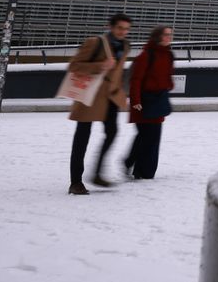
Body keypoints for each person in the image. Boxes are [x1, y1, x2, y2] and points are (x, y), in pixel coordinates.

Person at [67, 13, 132, 195]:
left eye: (126, 29)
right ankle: (76, 182)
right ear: (111, 27)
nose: (123, 32)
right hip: (90, 96)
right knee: (82, 137)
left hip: (110, 97)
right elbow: (74, 66)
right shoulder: (94, 43)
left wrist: (121, 93)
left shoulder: (125, 46)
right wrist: (100, 66)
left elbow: (117, 72)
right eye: (120, 28)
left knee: (112, 132)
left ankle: (96, 173)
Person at [124, 25, 174, 179]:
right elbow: (136, 80)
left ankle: (146, 171)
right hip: (144, 100)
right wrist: (136, 101)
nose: (169, 37)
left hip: (158, 100)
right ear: (157, 36)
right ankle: (136, 167)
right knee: (146, 136)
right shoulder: (146, 55)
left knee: (153, 137)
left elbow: (166, 75)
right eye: (166, 34)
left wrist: (167, 84)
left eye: (170, 35)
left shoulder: (169, 55)